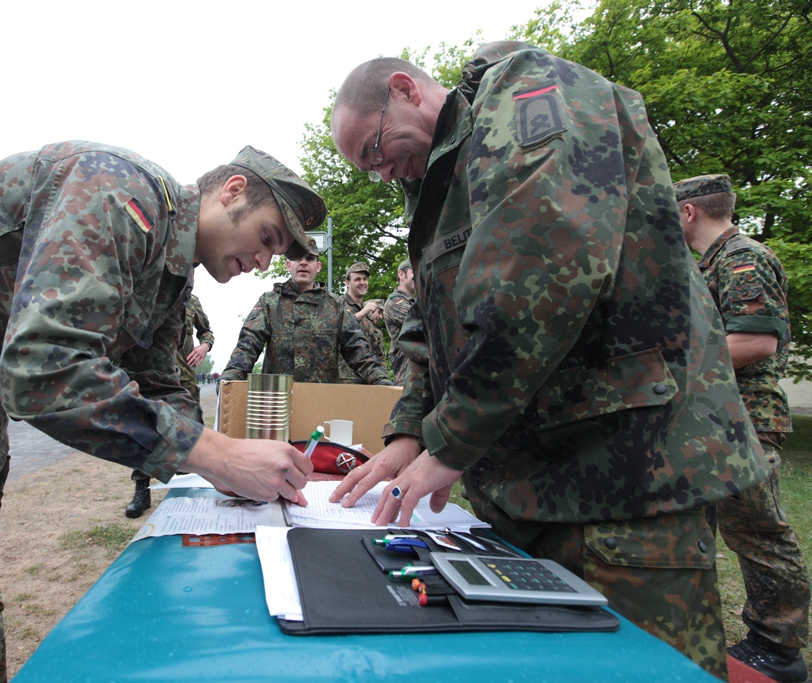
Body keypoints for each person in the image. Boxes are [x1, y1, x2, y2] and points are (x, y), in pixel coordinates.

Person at [0, 141, 323, 681]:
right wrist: (216, 454)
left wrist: (224, 465)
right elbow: (42, 368)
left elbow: (159, 382)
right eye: (266, 238)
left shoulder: (172, 273)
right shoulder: (119, 192)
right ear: (232, 191)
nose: (263, 263)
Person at [327, 43, 768, 680]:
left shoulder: (528, 93)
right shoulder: (437, 178)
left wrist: (451, 440)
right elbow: (434, 323)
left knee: (639, 671)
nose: (383, 172)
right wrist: (407, 433)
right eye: (369, 168)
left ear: (406, 89)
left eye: (374, 150)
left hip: (622, 476)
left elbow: (541, 270)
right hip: (529, 486)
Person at [675, 173, 810, 683]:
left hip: (744, 420)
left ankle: (777, 647)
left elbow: (755, 341)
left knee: (757, 532)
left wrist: (668, 369)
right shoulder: (707, 265)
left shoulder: (743, 259)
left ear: (689, 212)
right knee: (698, 527)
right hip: (711, 417)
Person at [220, 238, 392, 385]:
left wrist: (379, 378)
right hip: (279, 399)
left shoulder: (336, 305)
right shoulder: (270, 302)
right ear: (289, 265)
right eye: (297, 257)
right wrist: (232, 375)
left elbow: (356, 349)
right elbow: (249, 344)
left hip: (321, 400)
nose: (303, 262)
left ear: (318, 267)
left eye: (309, 258)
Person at [125, 293, 215, 518]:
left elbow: (207, 332)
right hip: (151, 376)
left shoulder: (192, 301)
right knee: (145, 429)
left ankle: (186, 489)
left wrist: (204, 346)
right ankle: (142, 488)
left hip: (183, 378)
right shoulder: (150, 293)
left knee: (188, 432)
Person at [338, 261, 380, 383]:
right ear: (348, 283)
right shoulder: (339, 304)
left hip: (368, 377)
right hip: (347, 379)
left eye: (365, 279)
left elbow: (374, 345)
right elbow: (338, 329)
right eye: (357, 279)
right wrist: (361, 314)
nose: (362, 283)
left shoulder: (367, 310)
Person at [384, 258, 416, 384]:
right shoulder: (395, 302)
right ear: (401, 274)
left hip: (419, 374)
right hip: (407, 377)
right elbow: (423, 324)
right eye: (414, 272)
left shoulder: (415, 303)